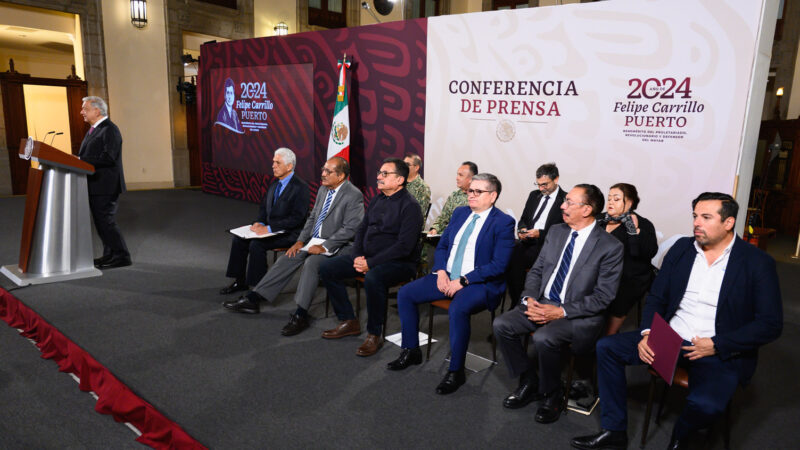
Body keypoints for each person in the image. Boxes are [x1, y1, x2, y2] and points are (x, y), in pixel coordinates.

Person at [571, 192, 783, 450]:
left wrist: (717, 344)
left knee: (705, 405)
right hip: (669, 338)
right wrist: (648, 333)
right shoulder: (682, 249)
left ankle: (681, 438)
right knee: (607, 348)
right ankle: (614, 431)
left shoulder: (757, 262)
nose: (697, 223)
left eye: (706, 217)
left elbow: (770, 324)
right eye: (695, 216)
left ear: (728, 223)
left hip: (718, 348)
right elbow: (657, 297)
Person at [493, 184, 623, 424]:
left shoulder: (610, 246)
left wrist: (561, 311)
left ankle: (551, 394)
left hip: (579, 314)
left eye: (569, 202)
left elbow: (603, 297)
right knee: (502, 324)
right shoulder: (556, 231)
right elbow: (537, 270)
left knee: (544, 338)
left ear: (587, 209)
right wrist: (528, 298)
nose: (562, 206)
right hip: (541, 301)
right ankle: (529, 379)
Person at [388, 173, 514, 395]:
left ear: (492, 196)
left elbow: (498, 265)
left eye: (478, 191)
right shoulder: (460, 213)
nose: (471, 195)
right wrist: (441, 272)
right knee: (406, 294)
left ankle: (456, 371)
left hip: (479, 283)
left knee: (458, 308)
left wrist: (463, 281)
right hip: (447, 276)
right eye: (470, 190)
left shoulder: (503, 222)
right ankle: (411, 350)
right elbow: (443, 246)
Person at [223, 157, 364, 336]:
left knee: (312, 263)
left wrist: (325, 246)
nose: (323, 174)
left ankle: (300, 314)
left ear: (341, 175)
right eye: (323, 169)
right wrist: (300, 241)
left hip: (339, 245)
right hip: (314, 241)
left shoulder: (353, 194)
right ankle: (254, 298)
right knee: (290, 256)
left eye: (328, 171)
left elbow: (351, 229)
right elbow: (312, 218)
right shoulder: (323, 189)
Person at [318, 158, 423, 357]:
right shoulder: (377, 199)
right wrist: (358, 256)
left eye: (385, 174)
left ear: (400, 180)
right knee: (327, 268)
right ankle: (349, 320)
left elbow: (404, 247)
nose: (378, 177)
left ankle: (375, 334)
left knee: (374, 277)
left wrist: (370, 263)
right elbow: (361, 230)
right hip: (368, 257)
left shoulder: (410, 207)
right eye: (379, 172)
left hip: (400, 263)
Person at [219, 148, 309, 294]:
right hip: (270, 230)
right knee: (238, 240)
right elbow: (263, 208)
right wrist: (259, 222)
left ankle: (258, 290)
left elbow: (297, 219)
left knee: (256, 245)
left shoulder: (301, 188)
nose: (273, 165)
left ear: (289, 166)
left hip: (290, 233)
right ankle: (240, 282)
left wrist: (268, 229)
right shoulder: (274, 184)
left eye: (277, 162)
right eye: (273, 162)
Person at [597, 183, 658, 335]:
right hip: (599, 270)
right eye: (609, 198)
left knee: (621, 288)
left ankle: (607, 336)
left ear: (629, 203)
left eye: (616, 199)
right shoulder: (599, 219)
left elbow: (646, 253)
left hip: (630, 274)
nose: (610, 202)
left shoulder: (643, 224)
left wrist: (634, 230)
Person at [78, 96, 131, 269]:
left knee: (106, 221)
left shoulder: (110, 129)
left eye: (85, 109)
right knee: (101, 222)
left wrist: (80, 159)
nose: (82, 112)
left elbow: (109, 158)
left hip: (106, 185)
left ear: (97, 110)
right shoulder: (94, 129)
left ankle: (122, 256)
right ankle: (110, 255)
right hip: (96, 184)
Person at [505, 163, 566, 303]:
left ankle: (522, 300)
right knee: (508, 253)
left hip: (547, 245)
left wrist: (540, 234)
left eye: (545, 184)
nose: (541, 188)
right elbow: (524, 219)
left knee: (515, 259)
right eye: (538, 184)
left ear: (556, 179)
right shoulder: (534, 195)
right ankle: (518, 299)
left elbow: (564, 230)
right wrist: (522, 230)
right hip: (527, 241)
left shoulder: (565, 200)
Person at [427, 161, 478, 235]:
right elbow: (443, 218)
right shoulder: (455, 195)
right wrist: (435, 229)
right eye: (457, 174)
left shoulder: (478, 197)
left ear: (471, 178)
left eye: (461, 175)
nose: (457, 178)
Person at [403, 153, 431, 222]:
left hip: (411, 224)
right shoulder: (398, 182)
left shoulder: (423, 188)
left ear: (416, 168)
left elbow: (418, 213)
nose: (403, 167)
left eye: (407, 164)